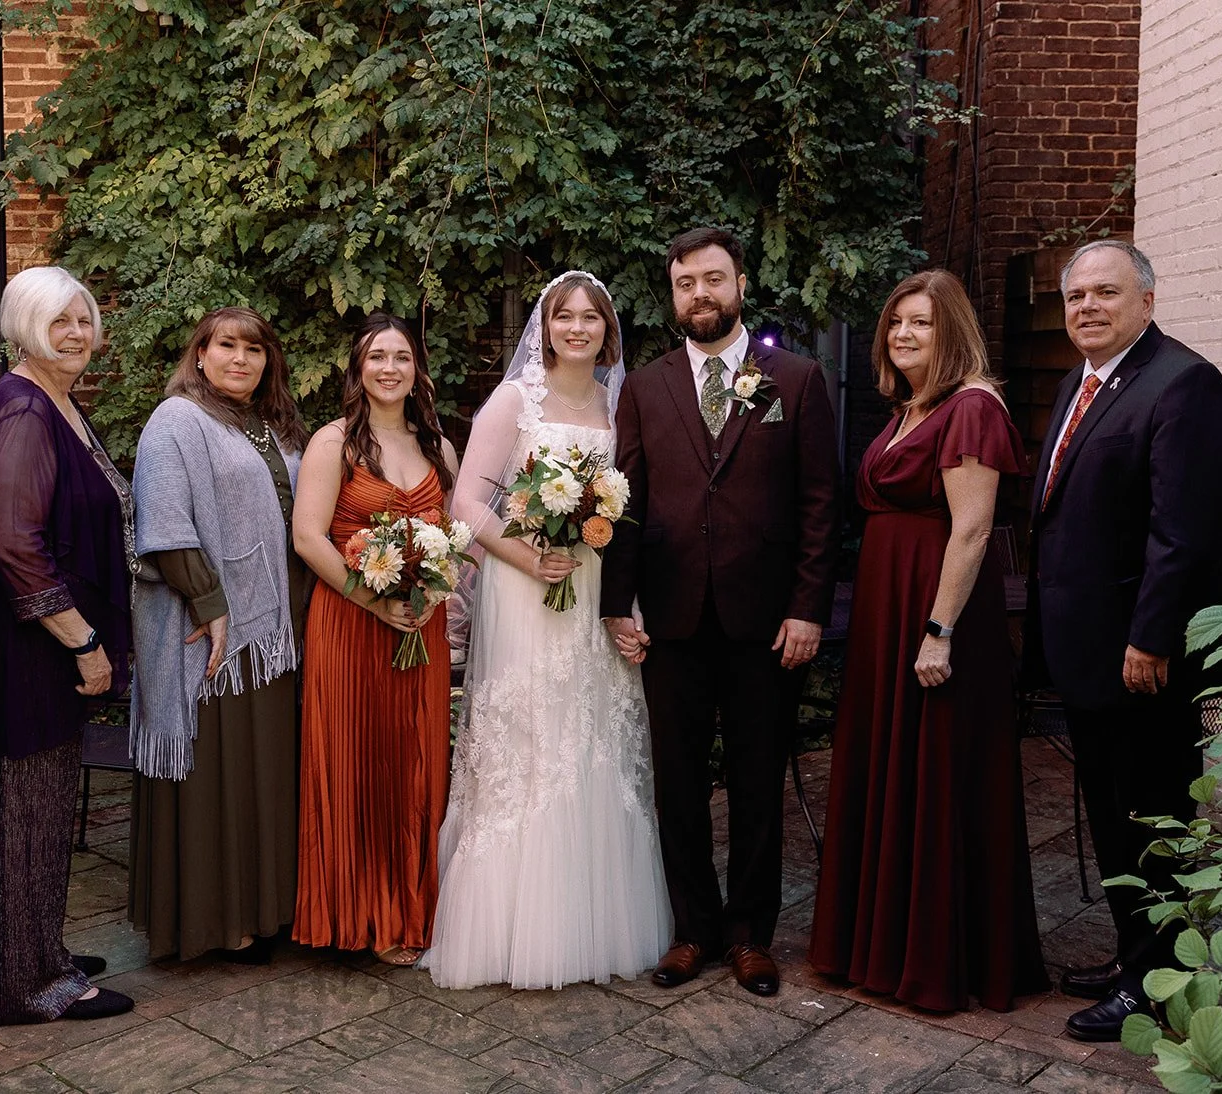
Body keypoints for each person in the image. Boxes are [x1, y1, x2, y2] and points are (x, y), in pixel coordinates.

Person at [599, 227, 837, 996]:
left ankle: (750, 936)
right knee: (677, 782)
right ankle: (692, 930)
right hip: (670, 620)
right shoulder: (646, 386)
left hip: (765, 622)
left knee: (758, 778)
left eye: (712, 279)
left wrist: (807, 608)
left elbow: (818, 505)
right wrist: (614, 605)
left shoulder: (795, 380)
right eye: (684, 284)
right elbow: (625, 504)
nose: (699, 295)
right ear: (672, 294)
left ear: (739, 283)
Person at [420, 272, 672, 989]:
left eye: (592, 317)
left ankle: (596, 922)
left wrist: (628, 602)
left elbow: (634, 515)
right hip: (528, 588)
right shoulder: (515, 399)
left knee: (595, 736)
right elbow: (466, 499)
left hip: (595, 588)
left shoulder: (619, 403)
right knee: (530, 741)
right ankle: (507, 931)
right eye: (566, 316)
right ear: (547, 325)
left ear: (608, 331)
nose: (578, 328)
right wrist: (528, 556)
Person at [807, 269, 1048, 1012]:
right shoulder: (913, 408)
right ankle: (877, 943)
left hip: (935, 613)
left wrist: (938, 631)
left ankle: (938, 957)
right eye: (896, 323)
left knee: (935, 769)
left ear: (953, 333)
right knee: (891, 763)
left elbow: (973, 529)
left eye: (923, 323)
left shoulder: (972, 407)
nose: (904, 335)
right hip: (890, 608)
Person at [1024, 240, 1222, 1041]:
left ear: (1147, 300)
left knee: (1153, 821)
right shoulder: (1076, 386)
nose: (1087, 307)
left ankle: (1154, 988)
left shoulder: (1184, 385)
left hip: (1144, 658)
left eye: (1105, 294)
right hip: (1089, 651)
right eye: (1076, 295)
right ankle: (1132, 957)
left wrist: (1150, 640)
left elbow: (1184, 534)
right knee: (1114, 816)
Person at [0, 266, 135, 1025]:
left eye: (84, 320)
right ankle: (29, 988)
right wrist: (85, 641)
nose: (77, 335)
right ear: (23, 326)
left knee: (49, 807)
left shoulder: (56, 399)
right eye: (58, 322)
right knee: (31, 813)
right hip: (32, 651)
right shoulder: (23, 410)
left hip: (47, 647)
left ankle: (40, 951)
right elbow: (16, 548)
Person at [128, 307, 309, 963]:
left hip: (279, 634)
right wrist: (210, 602)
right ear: (200, 353)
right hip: (210, 635)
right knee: (218, 780)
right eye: (226, 345)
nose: (241, 359)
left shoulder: (275, 427)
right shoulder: (177, 420)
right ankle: (214, 921)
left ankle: (267, 911)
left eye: (254, 348)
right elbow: (165, 523)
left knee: (265, 777)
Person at [291, 314, 459, 966]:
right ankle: (357, 916)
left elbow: (454, 539)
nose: (390, 368)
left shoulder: (439, 448)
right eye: (377, 357)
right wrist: (375, 600)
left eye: (402, 357)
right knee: (358, 762)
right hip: (351, 624)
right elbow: (308, 538)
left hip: (419, 627)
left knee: (415, 766)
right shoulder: (334, 443)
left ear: (417, 368)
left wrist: (428, 597)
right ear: (358, 370)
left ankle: (409, 911)